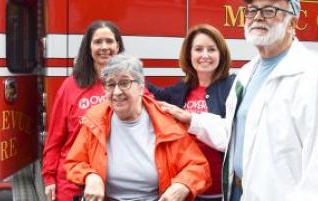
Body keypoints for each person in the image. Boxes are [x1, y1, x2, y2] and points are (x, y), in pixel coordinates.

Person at [158, 0, 318, 201]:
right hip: (237, 192)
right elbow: (235, 134)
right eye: (252, 10)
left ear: (292, 22)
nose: (258, 16)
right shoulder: (247, 73)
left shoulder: (310, 76)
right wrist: (192, 119)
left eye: (270, 10)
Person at [64, 54, 212, 201]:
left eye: (124, 83)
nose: (116, 92)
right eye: (110, 84)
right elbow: (74, 162)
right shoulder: (95, 120)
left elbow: (198, 166)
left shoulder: (165, 123)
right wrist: (90, 176)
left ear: (141, 87)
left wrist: (182, 185)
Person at [148, 24, 235, 201]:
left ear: (221, 54)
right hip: (189, 190)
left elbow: (234, 136)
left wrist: (190, 118)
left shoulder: (233, 87)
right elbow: (150, 93)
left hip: (224, 192)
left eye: (212, 49)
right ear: (189, 54)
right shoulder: (180, 90)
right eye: (198, 49)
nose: (205, 55)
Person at [42, 20, 125, 201]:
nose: (104, 47)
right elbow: (55, 137)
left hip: (116, 185)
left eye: (110, 41)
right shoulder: (71, 86)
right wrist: (49, 176)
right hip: (73, 184)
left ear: (118, 46)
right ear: (88, 47)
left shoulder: (130, 83)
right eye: (97, 42)